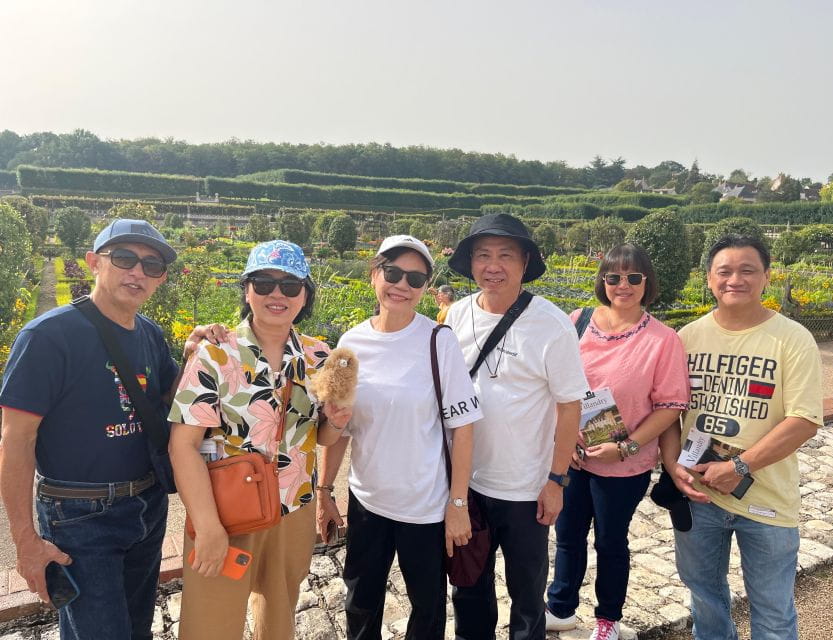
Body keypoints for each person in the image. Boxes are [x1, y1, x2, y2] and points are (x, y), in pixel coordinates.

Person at [0, 219, 180, 639]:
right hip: (80, 518)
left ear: (161, 278)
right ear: (93, 262)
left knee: (138, 629)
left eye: (151, 265)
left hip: (147, 506)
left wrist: (202, 352)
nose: (137, 272)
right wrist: (26, 542)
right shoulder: (48, 336)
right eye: (124, 258)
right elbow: (15, 440)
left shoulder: (150, 334)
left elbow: (172, 396)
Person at [168, 240, 352, 640]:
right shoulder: (216, 354)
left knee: (279, 617)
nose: (277, 294)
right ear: (246, 290)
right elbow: (182, 445)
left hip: (293, 509)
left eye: (290, 285)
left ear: (305, 295)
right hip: (225, 512)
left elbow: (322, 434)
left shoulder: (319, 357)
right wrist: (207, 524)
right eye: (264, 282)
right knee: (210, 626)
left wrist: (336, 423)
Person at [317, 235, 481, 640]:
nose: (402, 285)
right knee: (360, 602)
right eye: (393, 273)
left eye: (415, 278)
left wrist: (457, 502)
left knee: (426, 608)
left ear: (426, 287)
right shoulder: (351, 343)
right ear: (375, 275)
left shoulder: (437, 341)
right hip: (367, 500)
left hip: (423, 505)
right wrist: (324, 491)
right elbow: (338, 430)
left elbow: (463, 428)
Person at [659, 235, 823, 640]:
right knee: (705, 599)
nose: (736, 279)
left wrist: (740, 466)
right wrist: (672, 466)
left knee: (771, 607)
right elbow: (668, 411)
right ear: (709, 279)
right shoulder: (686, 338)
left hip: (766, 498)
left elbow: (804, 419)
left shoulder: (792, 338)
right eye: (725, 271)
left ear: (766, 276)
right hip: (698, 496)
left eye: (747, 270)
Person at [444, 213, 588, 639]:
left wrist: (556, 481)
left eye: (505, 255)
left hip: (526, 488)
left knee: (526, 593)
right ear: (470, 263)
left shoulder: (552, 324)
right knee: (468, 585)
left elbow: (569, 407)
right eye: (483, 255)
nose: (493, 265)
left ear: (525, 262)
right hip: (466, 484)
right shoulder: (454, 315)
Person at [544, 244, 690, 640]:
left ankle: (608, 618)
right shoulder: (577, 322)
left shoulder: (663, 340)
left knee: (610, 540)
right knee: (568, 535)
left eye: (632, 278)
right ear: (602, 281)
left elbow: (669, 407)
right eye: (613, 277)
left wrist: (625, 447)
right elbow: (558, 387)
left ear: (647, 282)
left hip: (624, 464)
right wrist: (565, 441)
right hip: (573, 457)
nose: (622, 285)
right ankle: (560, 607)